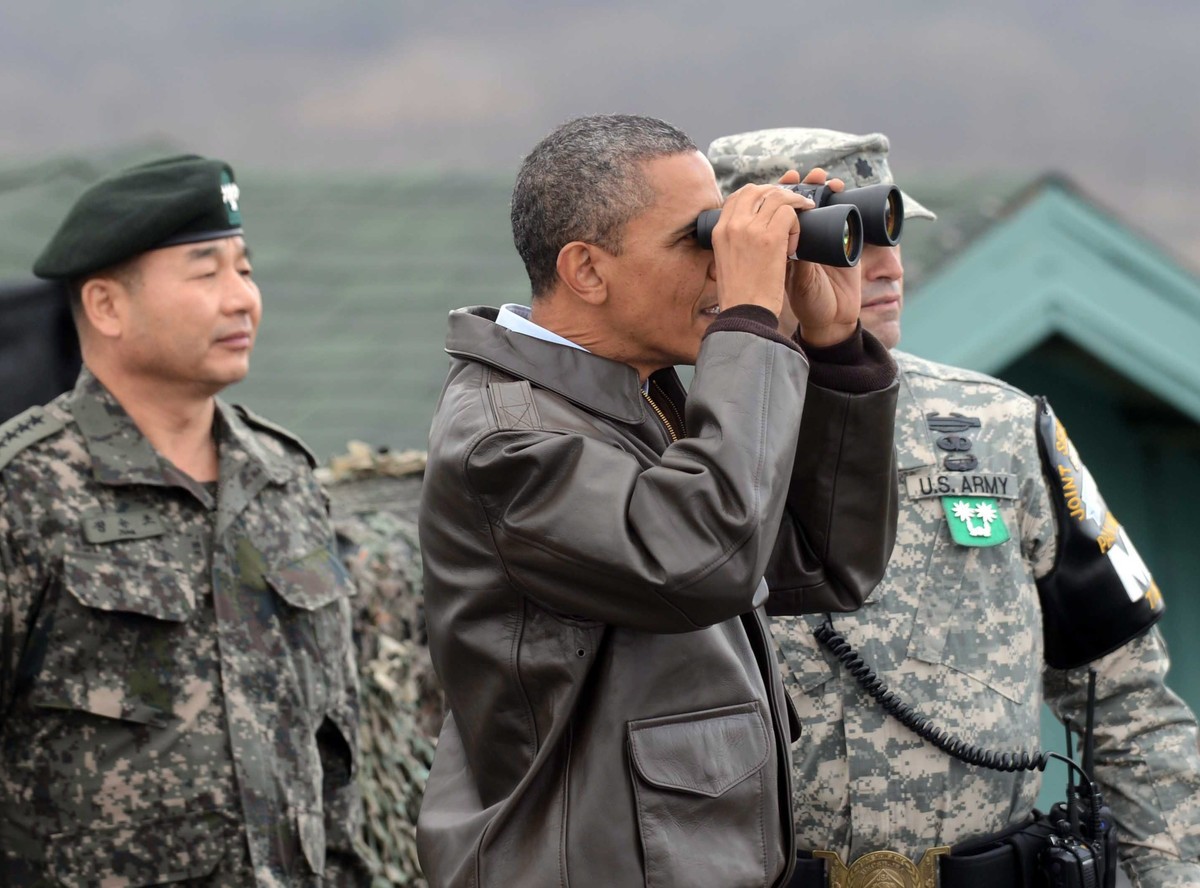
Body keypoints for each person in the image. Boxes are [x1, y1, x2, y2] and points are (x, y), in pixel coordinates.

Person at [414, 113, 900, 887]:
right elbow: (704, 561)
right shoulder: (507, 444)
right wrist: (749, 323)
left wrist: (833, 348)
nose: (720, 269)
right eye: (698, 241)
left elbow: (821, 566)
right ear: (587, 271)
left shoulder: (640, 400)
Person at [707, 127, 1200, 887]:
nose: (888, 266)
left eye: (893, 230)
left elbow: (1131, 704)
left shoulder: (996, 425)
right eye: (847, 237)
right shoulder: (670, 430)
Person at [0, 156, 367, 885]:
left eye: (245, 270)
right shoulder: (26, 491)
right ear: (106, 307)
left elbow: (333, 746)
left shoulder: (285, 482)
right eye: (206, 275)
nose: (242, 300)